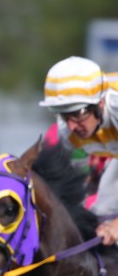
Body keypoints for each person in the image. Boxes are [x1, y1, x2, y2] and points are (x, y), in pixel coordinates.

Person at [38, 56, 118, 243]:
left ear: (101, 102)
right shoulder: (67, 131)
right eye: (64, 115)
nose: (72, 126)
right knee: (100, 214)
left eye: (78, 114)